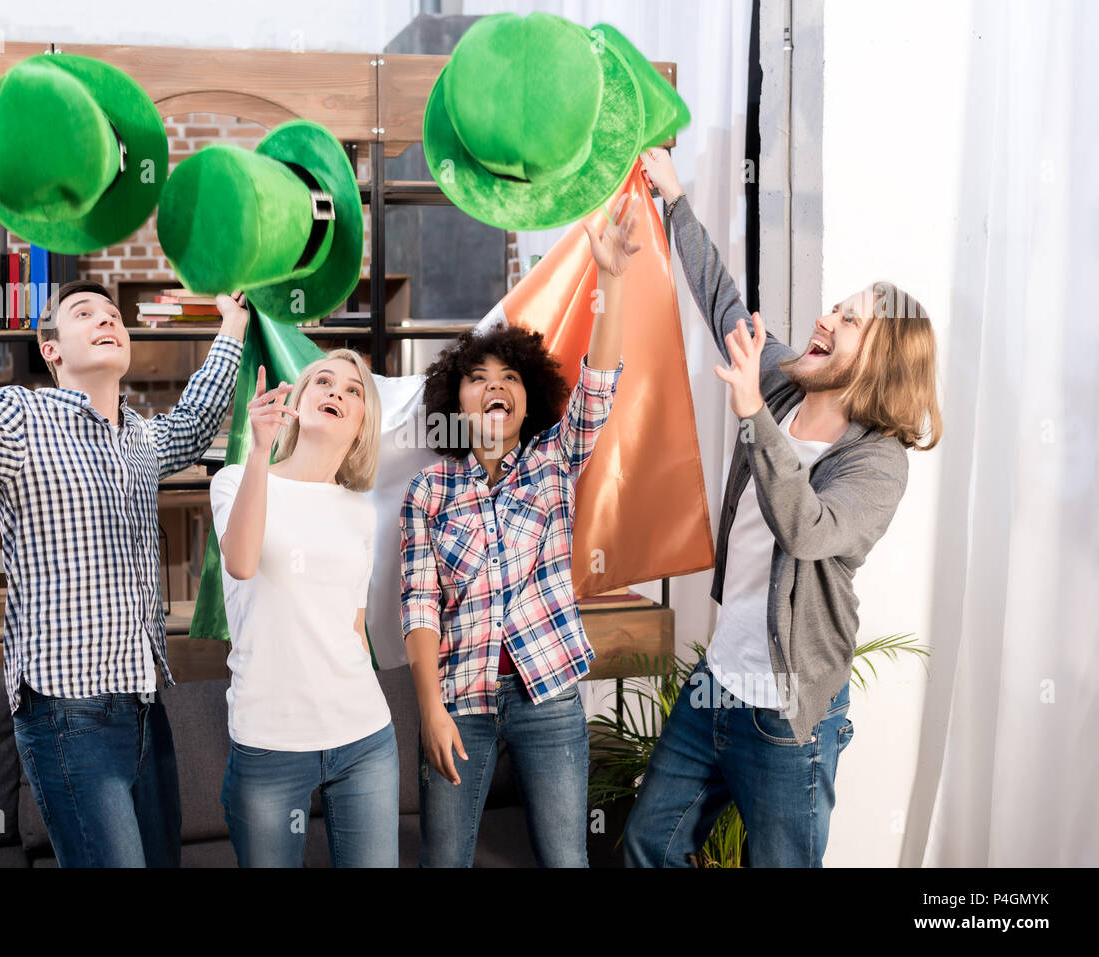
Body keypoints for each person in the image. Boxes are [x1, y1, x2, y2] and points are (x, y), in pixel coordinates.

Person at [0, 196, 248, 867]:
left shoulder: (139, 436)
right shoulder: (21, 417)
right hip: (69, 714)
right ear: (51, 351)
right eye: (85, 314)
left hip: (144, 703)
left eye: (112, 314)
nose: (106, 317)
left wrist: (230, 328)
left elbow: (196, 424)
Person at [623, 148, 942, 867]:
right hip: (717, 683)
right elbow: (722, 302)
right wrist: (676, 199)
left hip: (787, 714)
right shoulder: (784, 383)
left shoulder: (877, 462)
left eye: (850, 320)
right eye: (837, 306)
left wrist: (750, 414)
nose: (827, 317)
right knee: (651, 842)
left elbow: (807, 527)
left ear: (881, 360)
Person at [400, 194, 641, 867]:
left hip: (550, 693)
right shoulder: (429, 490)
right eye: (478, 379)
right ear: (458, 400)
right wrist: (430, 710)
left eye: (508, 377)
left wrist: (611, 279)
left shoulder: (554, 460)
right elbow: (419, 608)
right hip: (461, 697)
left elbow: (599, 385)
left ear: (527, 396)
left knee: (566, 859)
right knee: (444, 859)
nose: (494, 387)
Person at [210, 349, 396, 867]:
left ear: (361, 427)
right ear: (297, 400)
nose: (337, 392)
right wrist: (258, 449)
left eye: (353, 390)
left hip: (364, 738)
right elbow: (242, 563)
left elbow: (353, 627)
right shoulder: (236, 481)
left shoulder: (362, 513)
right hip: (270, 742)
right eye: (323, 381)